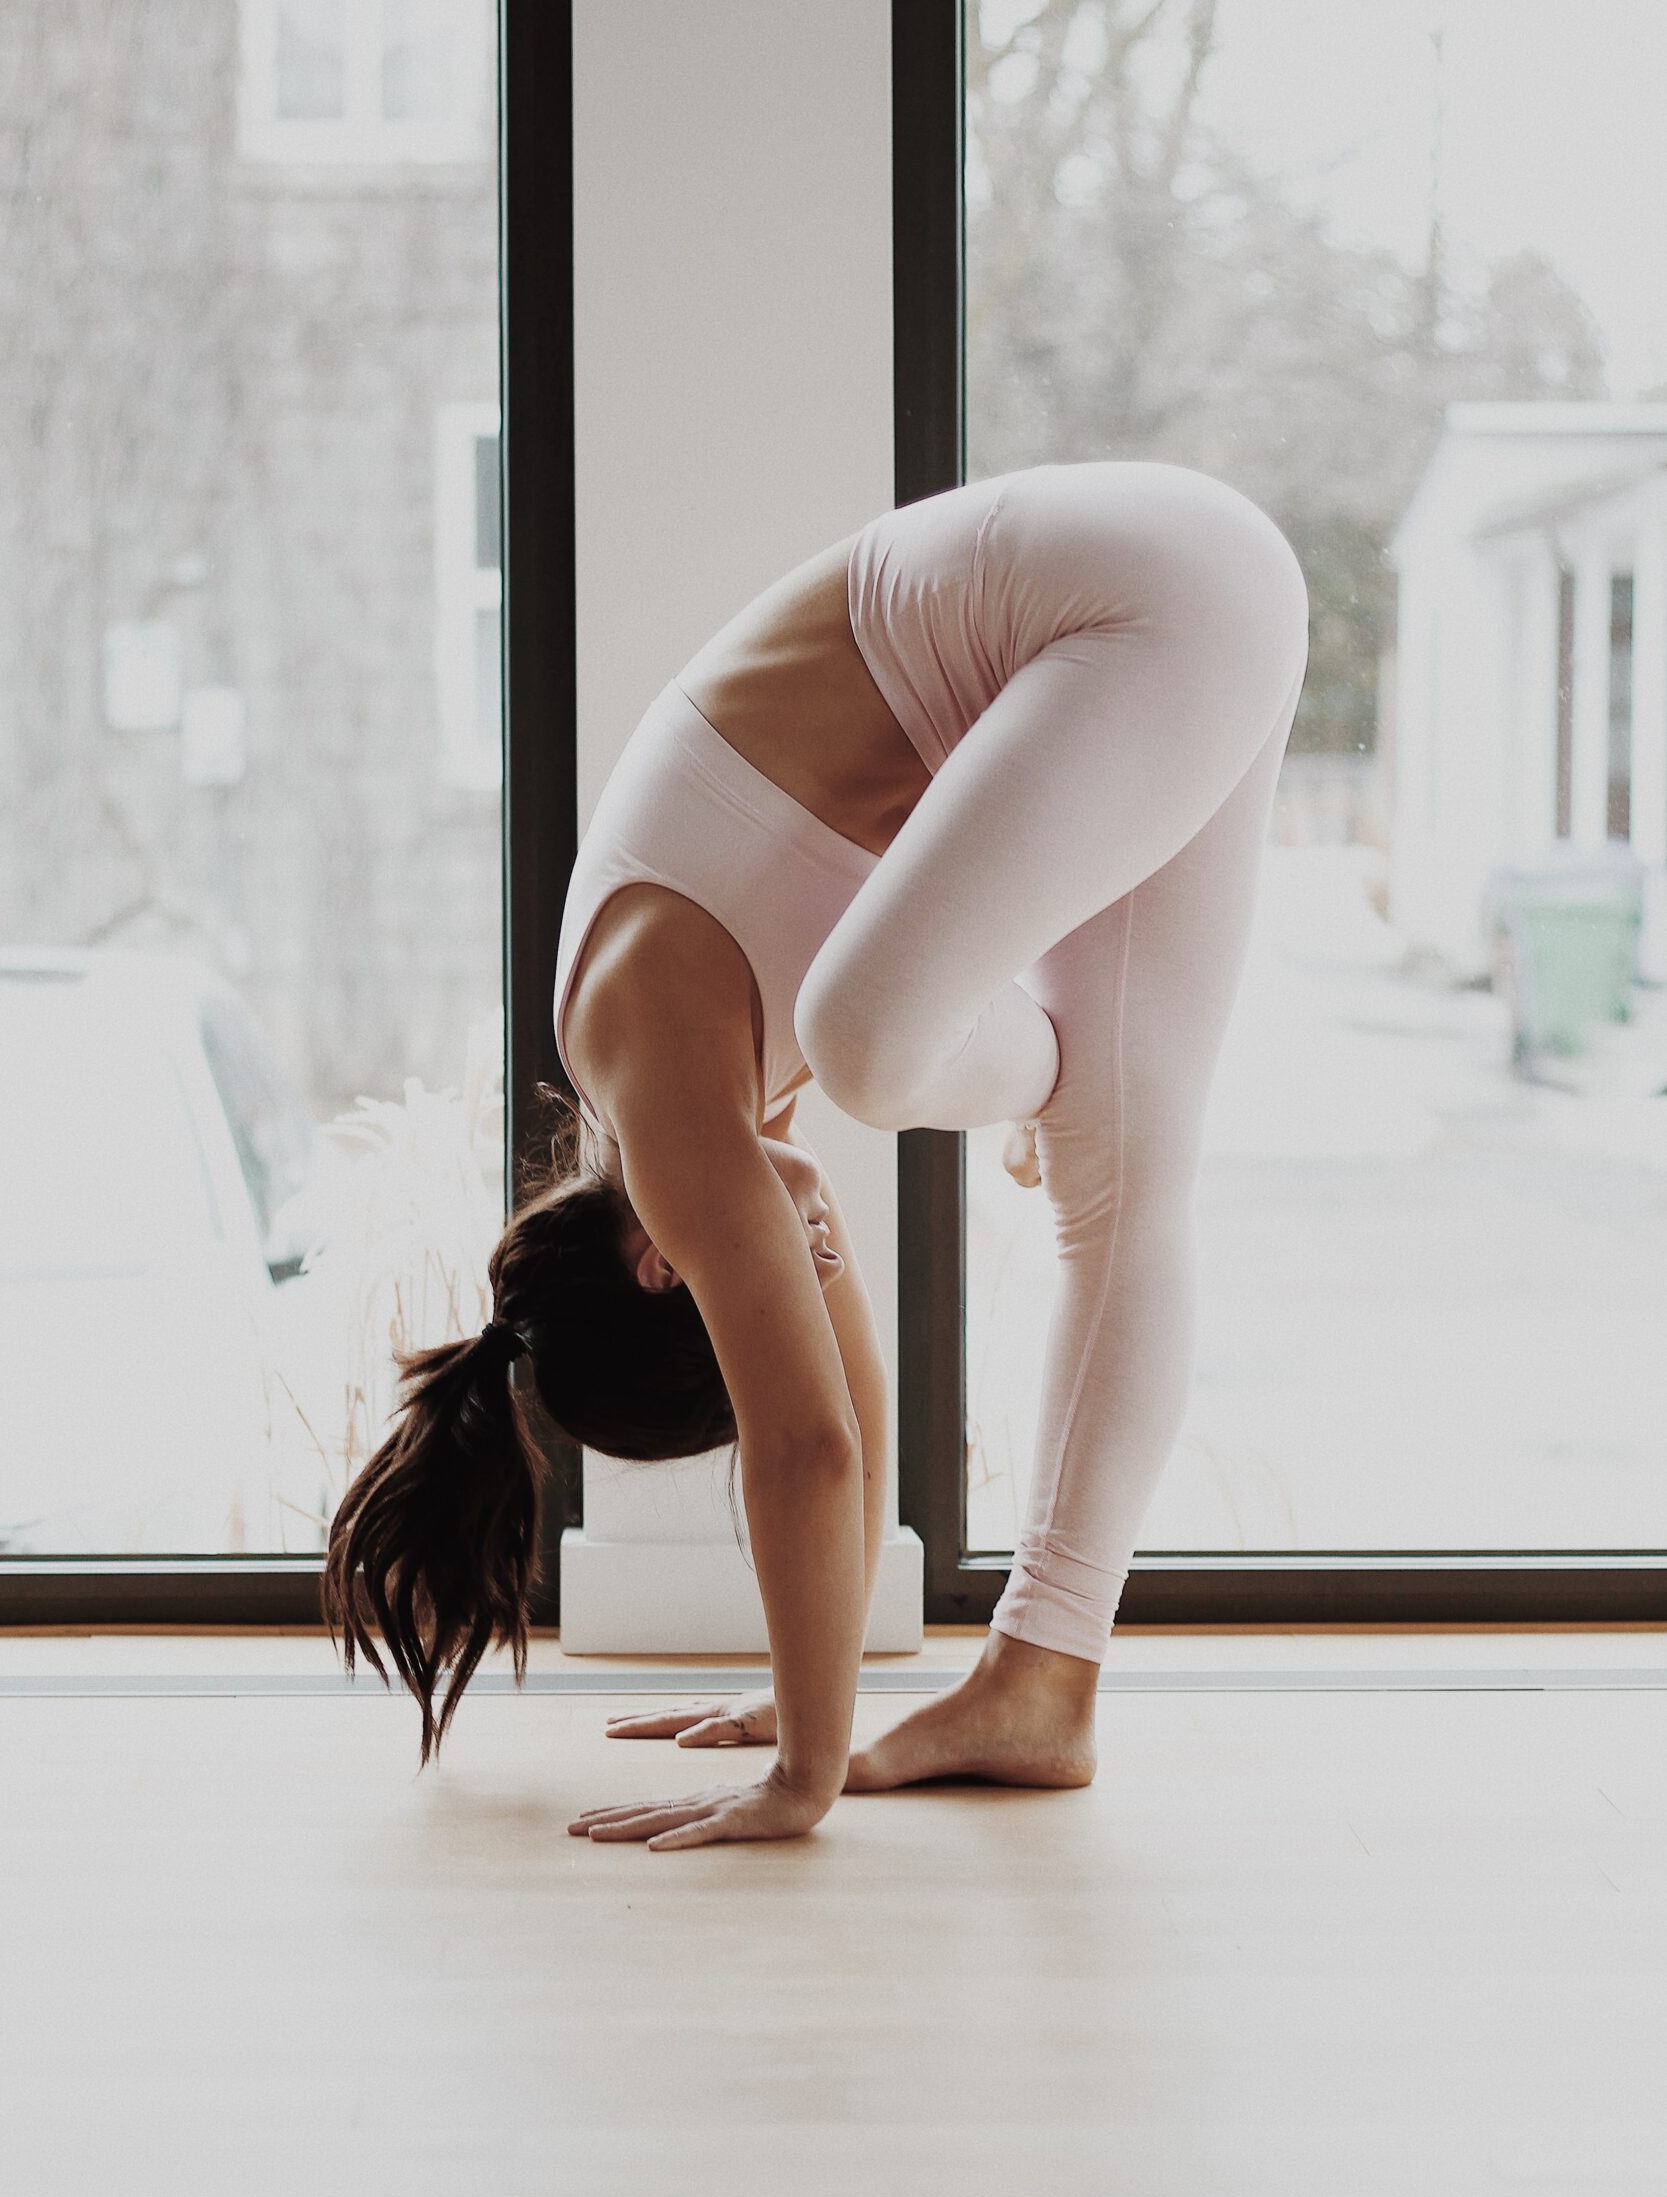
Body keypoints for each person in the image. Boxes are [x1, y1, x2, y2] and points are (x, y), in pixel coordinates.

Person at [322, 459, 1309, 1851]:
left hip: (1133, 602)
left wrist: (802, 1780)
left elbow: (812, 1447)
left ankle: (1036, 1071)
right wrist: (814, 1705)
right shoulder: (710, 1103)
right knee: (1121, 1185)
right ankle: (1043, 1681)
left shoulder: (659, 1090)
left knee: (871, 1040)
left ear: (665, 1271)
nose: (785, 1265)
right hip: (1189, 606)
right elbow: (853, 1407)